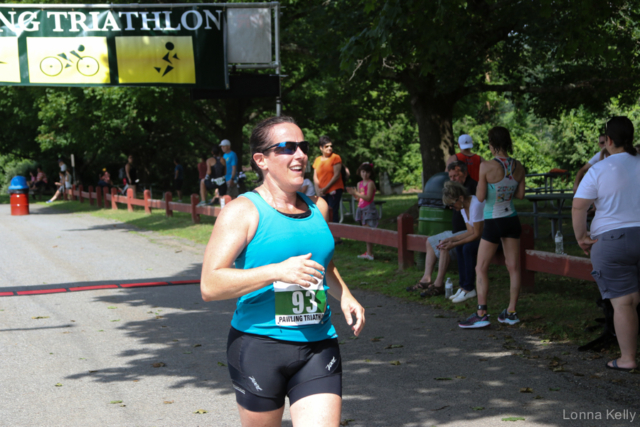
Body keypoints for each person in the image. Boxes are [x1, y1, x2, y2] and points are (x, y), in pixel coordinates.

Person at [200, 116, 365, 426]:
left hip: (318, 343)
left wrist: (345, 295)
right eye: (287, 148)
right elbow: (210, 285)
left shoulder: (319, 207)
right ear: (261, 160)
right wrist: (276, 271)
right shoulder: (243, 211)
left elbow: (323, 264)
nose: (300, 155)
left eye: (302, 147)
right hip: (260, 346)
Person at [572, 116, 640, 372]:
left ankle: (627, 358)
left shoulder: (599, 169)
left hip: (611, 240)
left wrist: (582, 237)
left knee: (624, 302)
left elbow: (579, 206)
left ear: (608, 140)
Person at [459, 126, 526, 329]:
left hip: (493, 220)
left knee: (480, 267)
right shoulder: (519, 166)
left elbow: (480, 197)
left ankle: (481, 313)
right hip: (511, 218)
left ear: (492, 144)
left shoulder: (486, 166)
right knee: (513, 268)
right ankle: (511, 312)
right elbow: (521, 195)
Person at [407, 161, 476, 297]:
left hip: (469, 232)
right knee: (430, 241)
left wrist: (452, 240)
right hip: (458, 232)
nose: (453, 179)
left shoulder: (471, 189)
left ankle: (438, 284)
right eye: (450, 177)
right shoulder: (455, 190)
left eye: (455, 176)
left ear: (465, 173)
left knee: (444, 244)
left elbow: (474, 228)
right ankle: (426, 279)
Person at [346, 162, 378, 261]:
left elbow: (368, 198)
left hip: (369, 209)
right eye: (363, 172)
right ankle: (368, 253)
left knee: (368, 231)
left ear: (370, 173)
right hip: (361, 209)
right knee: (365, 231)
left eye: (367, 172)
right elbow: (359, 199)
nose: (365, 174)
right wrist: (353, 194)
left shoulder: (371, 183)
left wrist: (356, 193)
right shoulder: (359, 183)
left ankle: (370, 253)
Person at [313, 135, 345, 224]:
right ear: (321, 148)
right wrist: (317, 190)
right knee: (322, 213)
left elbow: (336, 175)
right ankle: (325, 235)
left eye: (331, 146)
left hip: (333, 190)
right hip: (322, 191)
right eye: (326, 146)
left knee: (332, 213)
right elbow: (315, 176)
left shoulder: (335, 157)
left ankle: (336, 237)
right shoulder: (317, 160)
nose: (329, 148)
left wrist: (325, 188)